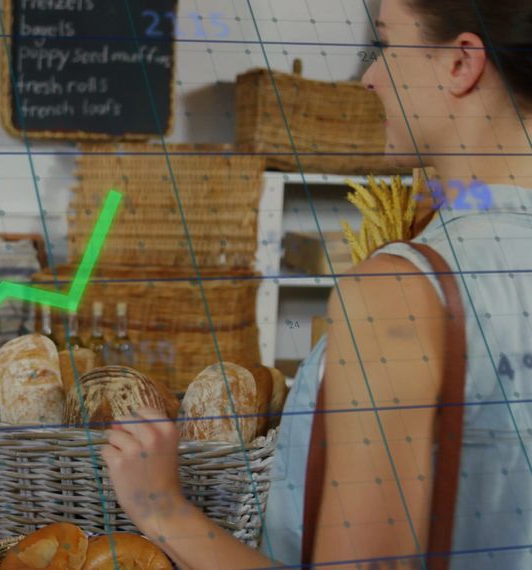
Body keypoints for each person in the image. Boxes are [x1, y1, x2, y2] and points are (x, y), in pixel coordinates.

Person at [104, 0, 532, 567]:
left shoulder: (402, 291)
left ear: (461, 63)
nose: (370, 78)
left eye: (386, 45)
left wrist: (160, 508)